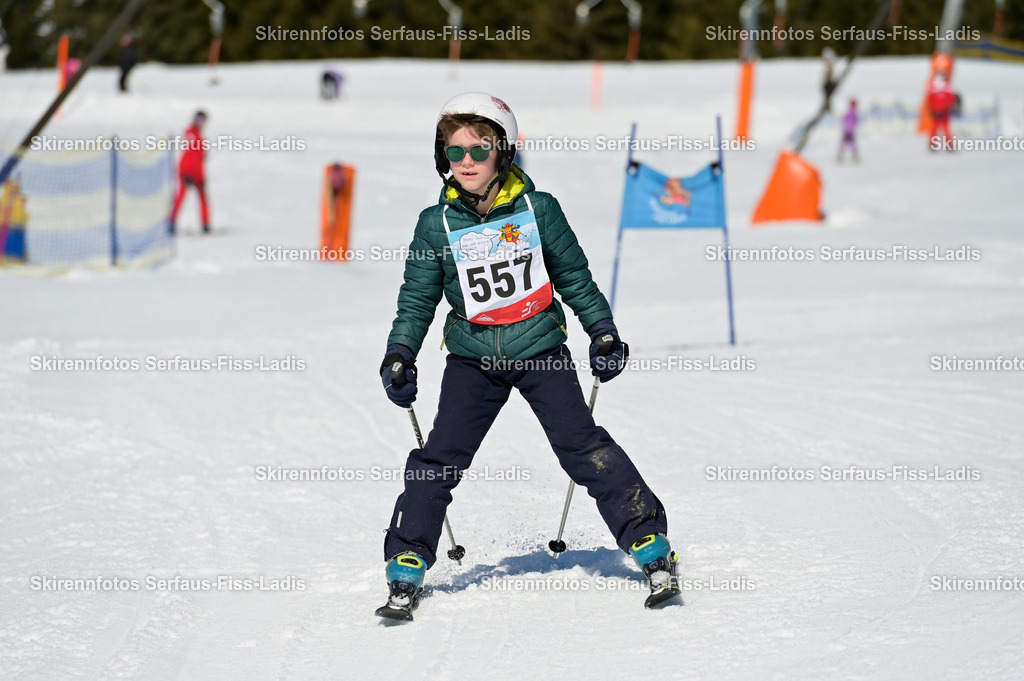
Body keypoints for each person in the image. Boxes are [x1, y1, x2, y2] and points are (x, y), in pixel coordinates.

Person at [376, 92, 679, 620]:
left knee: (581, 446)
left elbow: (574, 277)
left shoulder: (539, 210)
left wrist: (602, 331)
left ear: (505, 151)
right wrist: (399, 352)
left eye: (479, 149)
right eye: (454, 151)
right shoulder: (435, 224)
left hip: (540, 349)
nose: (466, 161)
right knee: (439, 458)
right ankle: (408, 558)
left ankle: (648, 540)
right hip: (472, 358)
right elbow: (418, 298)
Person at [170, 110, 210, 234]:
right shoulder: (191, 133)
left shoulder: (198, 134)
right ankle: (171, 222)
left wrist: (201, 176)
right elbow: (189, 154)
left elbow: (199, 156)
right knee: (181, 196)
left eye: (203, 120)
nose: (200, 123)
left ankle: (205, 224)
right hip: (187, 170)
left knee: (203, 197)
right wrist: (186, 173)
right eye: (198, 120)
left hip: (198, 172)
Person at [927, 71, 956, 151]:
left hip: (942, 111)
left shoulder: (944, 86)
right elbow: (930, 99)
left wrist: (943, 109)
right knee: (938, 128)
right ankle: (935, 144)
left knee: (942, 128)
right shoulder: (944, 86)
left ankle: (944, 144)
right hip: (939, 111)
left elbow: (951, 99)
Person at [837, 98, 859, 163]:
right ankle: (854, 156)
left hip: (846, 130)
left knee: (844, 143)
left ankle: (841, 156)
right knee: (852, 144)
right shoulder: (853, 113)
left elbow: (843, 118)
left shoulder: (848, 111)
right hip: (850, 131)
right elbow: (855, 121)